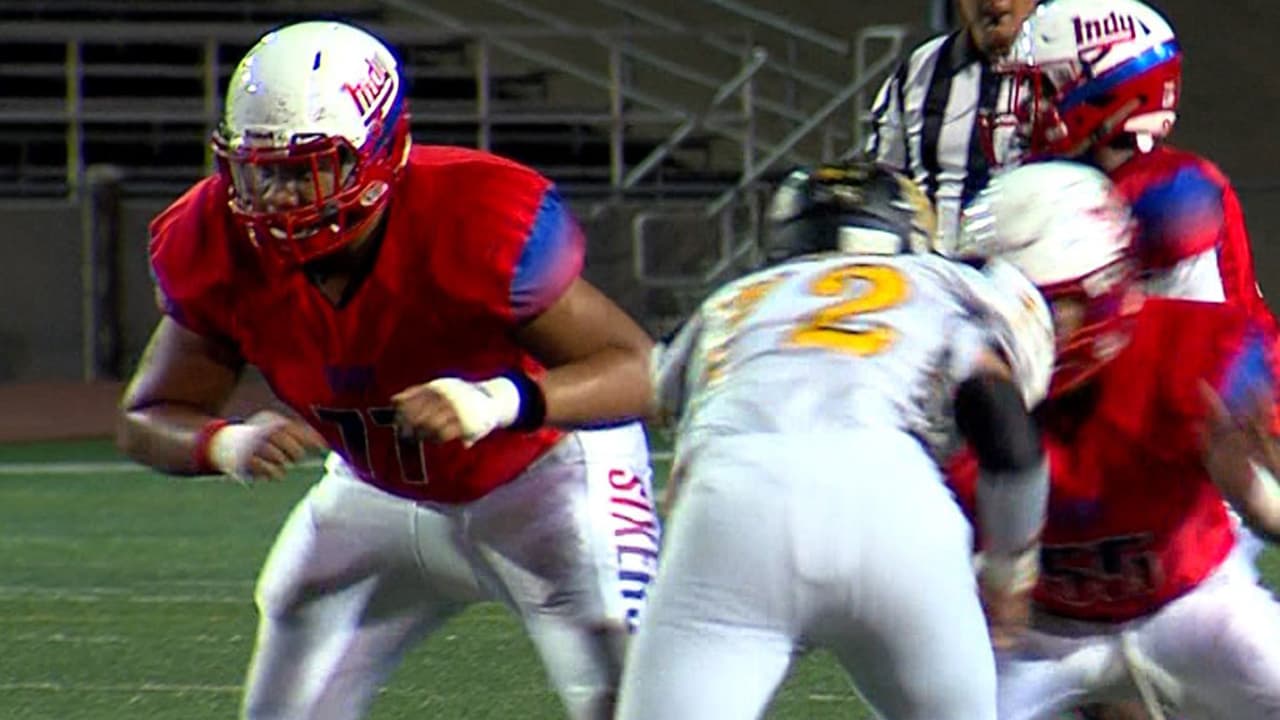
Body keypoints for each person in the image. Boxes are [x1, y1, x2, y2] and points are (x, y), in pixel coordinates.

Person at [115, 20, 659, 720]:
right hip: (375, 489)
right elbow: (145, 415)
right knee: (284, 694)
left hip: (542, 478)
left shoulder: (473, 214)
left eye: (306, 167)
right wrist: (224, 442)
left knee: (638, 691)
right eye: (258, 169)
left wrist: (497, 400)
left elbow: (638, 368)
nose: (277, 196)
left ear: (384, 153)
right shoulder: (214, 237)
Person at [616, 160, 1058, 720]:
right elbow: (1006, 428)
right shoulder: (945, 283)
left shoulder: (732, 302)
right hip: (895, 508)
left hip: (734, 502)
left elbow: (675, 423)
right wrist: (1010, 572)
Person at [950, 160, 1280, 720]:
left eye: (1044, 305)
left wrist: (1258, 497)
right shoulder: (959, 379)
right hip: (1036, 630)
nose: (1013, 327)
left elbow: (1269, 515)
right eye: (995, 305)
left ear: (1104, 291)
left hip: (1190, 606)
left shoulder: (1195, 349)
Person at [863, 0, 1038, 252]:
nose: (997, 3)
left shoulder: (1070, 65)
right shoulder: (919, 69)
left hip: (1033, 277)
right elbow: (885, 186)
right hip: (934, 277)